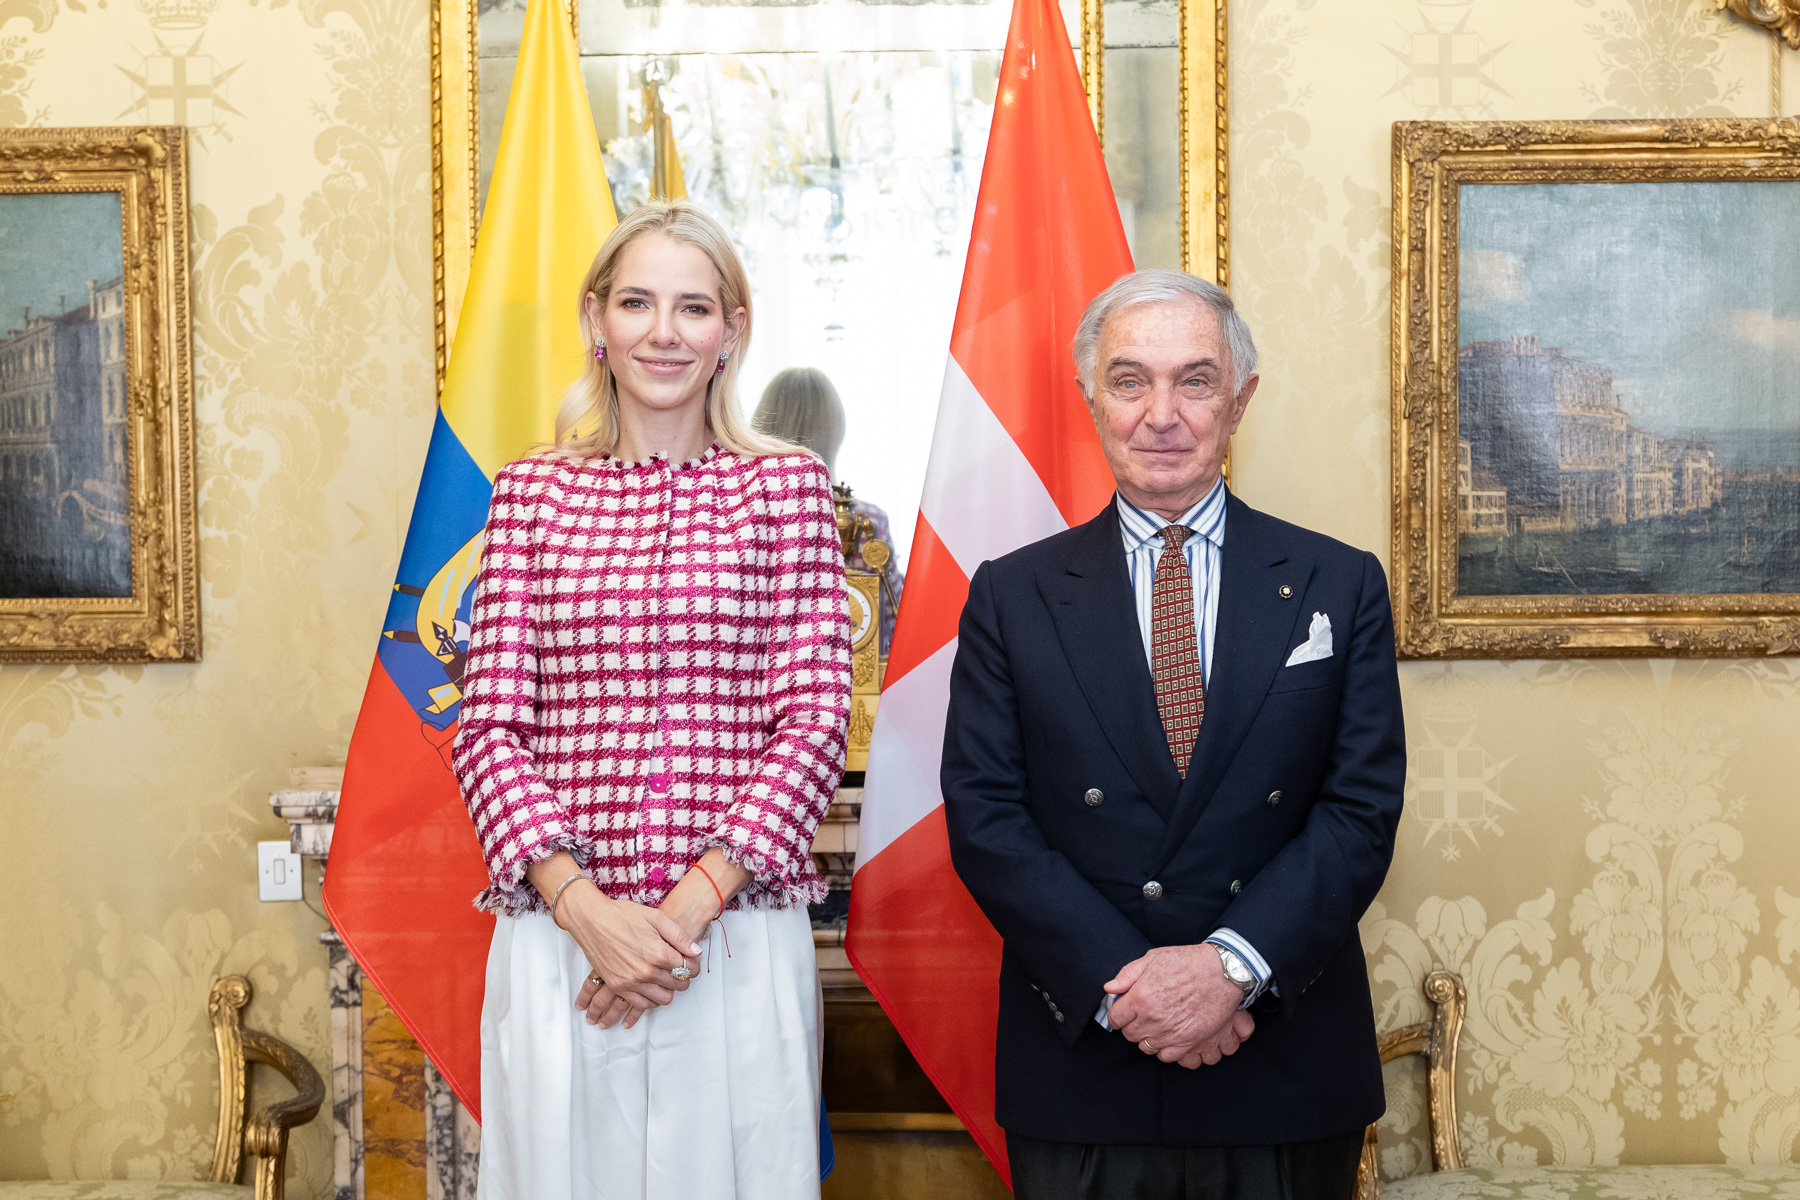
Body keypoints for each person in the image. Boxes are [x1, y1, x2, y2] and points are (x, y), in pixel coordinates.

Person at [941, 269, 1405, 1199]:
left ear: (1241, 400)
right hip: (1088, 1061)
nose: (1162, 413)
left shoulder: (1337, 583)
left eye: (1194, 380)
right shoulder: (1011, 592)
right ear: (1090, 399)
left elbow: (1358, 811)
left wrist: (1230, 971)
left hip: (1283, 1056)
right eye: (1129, 380)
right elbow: (987, 818)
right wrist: (1138, 990)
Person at [451, 200, 852, 1200]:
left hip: (729, 938)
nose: (664, 333)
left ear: (734, 329)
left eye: (693, 307)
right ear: (596, 320)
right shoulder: (530, 493)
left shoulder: (786, 488)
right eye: (637, 303)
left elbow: (810, 727)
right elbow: (490, 725)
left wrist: (673, 923)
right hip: (561, 945)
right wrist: (587, 913)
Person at [751, 367, 906, 654]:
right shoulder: (869, 521)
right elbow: (894, 623)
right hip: (855, 686)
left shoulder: (741, 518)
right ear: (835, 430)